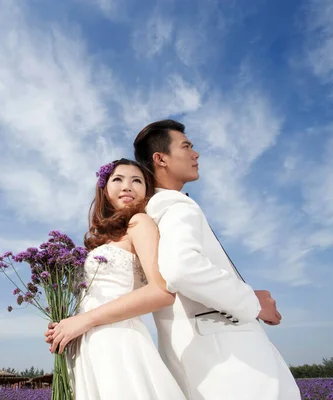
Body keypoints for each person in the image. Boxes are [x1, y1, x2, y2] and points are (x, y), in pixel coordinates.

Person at [132, 119, 301, 400]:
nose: (195, 154)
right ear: (160, 159)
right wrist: (252, 302)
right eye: (186, 146)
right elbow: (182, 269)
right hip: (234, 365)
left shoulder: (151, 211)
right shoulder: (174, 205)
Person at [48, 158, 186, 400]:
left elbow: (161, 291)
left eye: (137, 181)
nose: (127, 186)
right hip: (86, 346)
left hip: (118, 341)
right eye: (118, 179)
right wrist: (64, 325)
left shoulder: (139, 223)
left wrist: (84, 321)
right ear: (104, 188)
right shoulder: (101, 241)